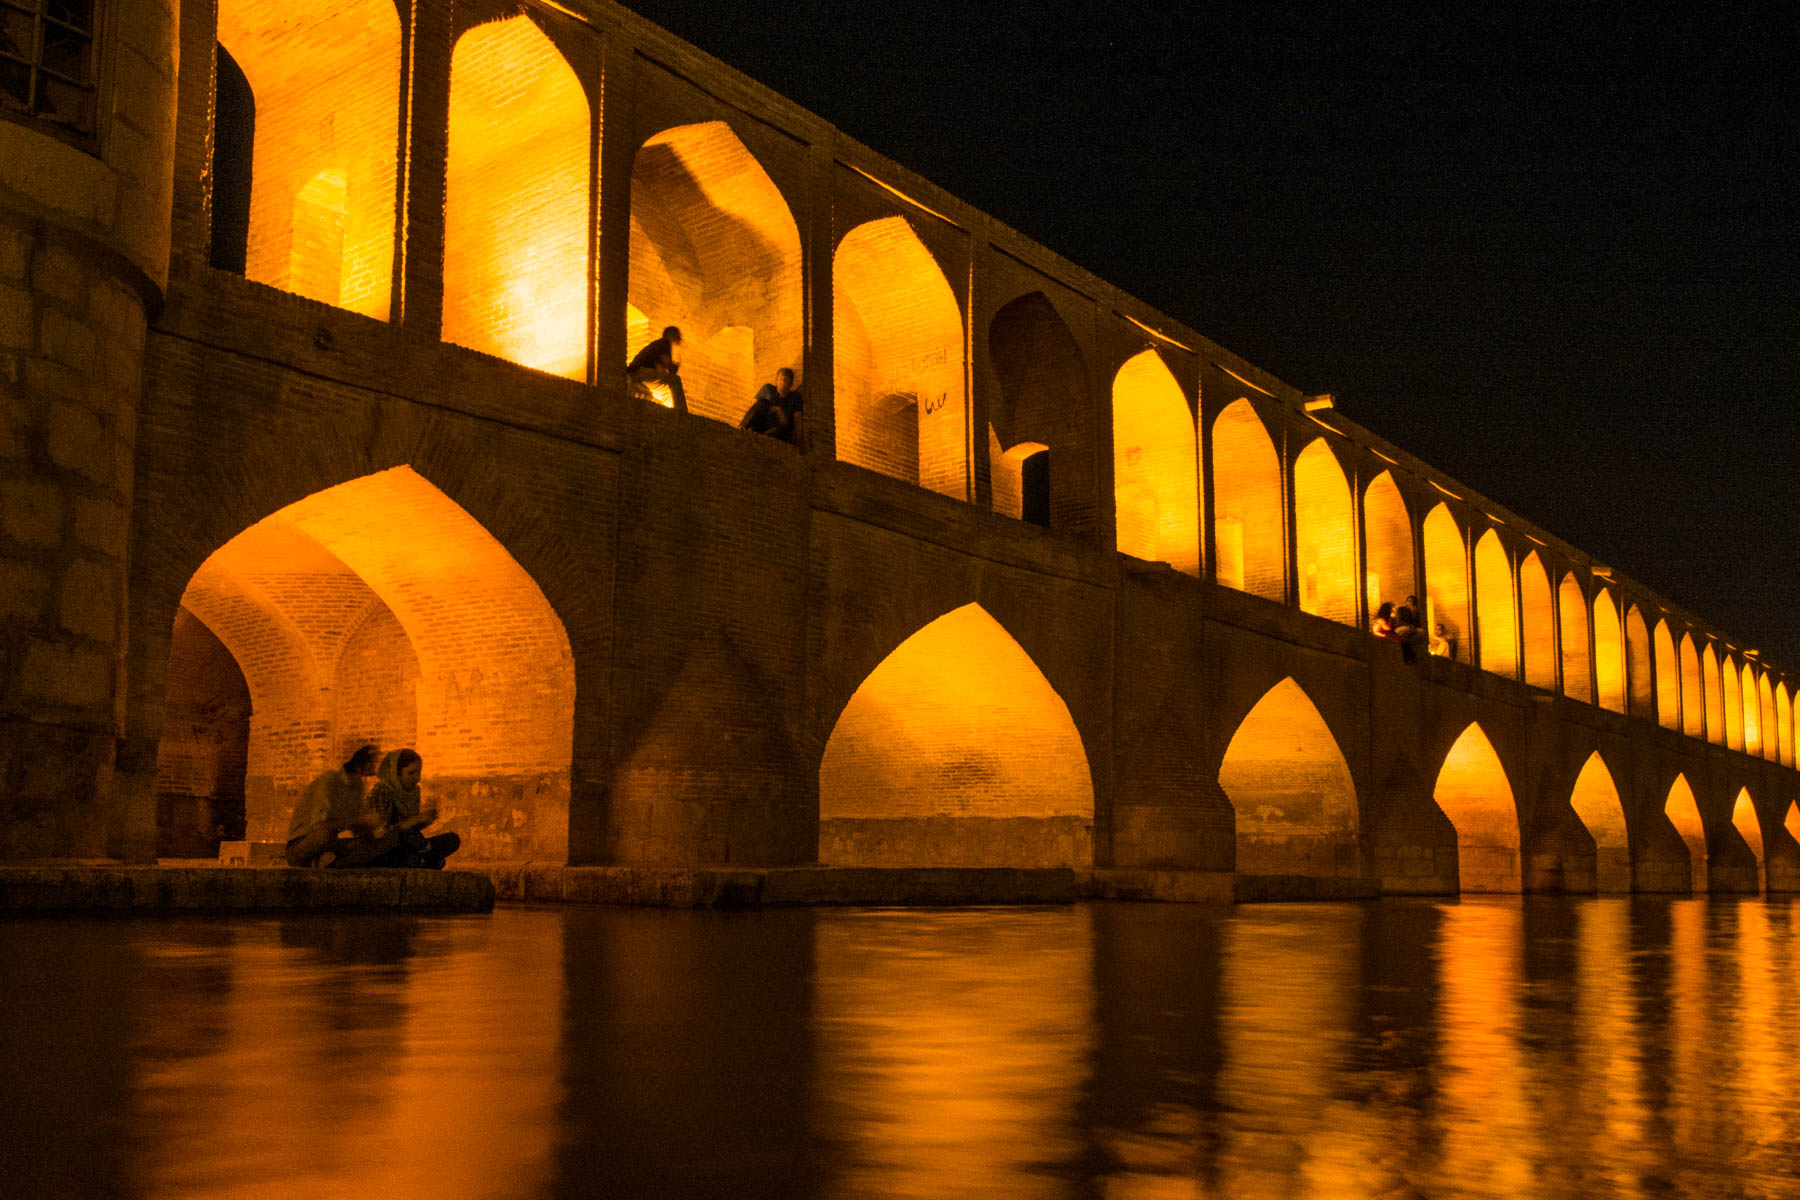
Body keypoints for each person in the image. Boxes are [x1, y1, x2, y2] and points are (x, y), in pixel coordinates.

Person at [285, 745, 397, 868]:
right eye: (375, 762)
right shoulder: (329, 781)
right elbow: (318, 827)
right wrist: (361, 821)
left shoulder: (358, 786)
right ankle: (333, 859)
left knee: (385, 840)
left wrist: (373, 829)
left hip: (332, 845)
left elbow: (358, 828)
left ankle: (334, 861)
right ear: (363, 766)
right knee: (324, 836)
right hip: (303, 845)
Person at [366, 748, 462, 870]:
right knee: (408, 851)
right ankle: (423, 856)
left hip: (411, 845)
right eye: (411, 773)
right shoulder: (381, 791)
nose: (417, 778)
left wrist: (424, 821)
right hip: (387, 848)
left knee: (452, 840)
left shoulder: (412, 793)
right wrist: (413, 821)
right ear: (396, 773)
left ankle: (423, 855)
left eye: (418, 772)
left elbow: (412, 830)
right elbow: (380, 834)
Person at [626, 325, 688, 414]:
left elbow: (664, 370)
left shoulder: (657, 346)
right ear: (671, 335)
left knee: (667, 394)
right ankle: (682, 414)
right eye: (677, 336)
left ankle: (670, 415)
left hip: (638, 375)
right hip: (640, 373)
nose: (678, 339)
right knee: (675, 381)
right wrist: (677, 358)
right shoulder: (664, 343)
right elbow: (669, 371)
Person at [739, 367, 805, 449]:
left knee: (783, 428)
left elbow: (798, 420)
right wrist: (778, 410)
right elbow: (756, 408)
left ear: (791, 384)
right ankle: (742, 429)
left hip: (778, 429)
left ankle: (761, 441)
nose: (784, 383)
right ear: (776, 381)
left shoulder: (794, 397)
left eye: (788, 381)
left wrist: (798, 444)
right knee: (763, 402)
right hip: (763, 424)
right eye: (783, 379)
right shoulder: (768, 389)